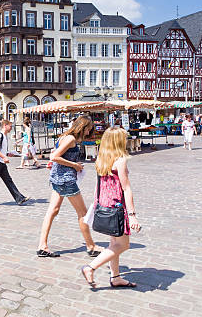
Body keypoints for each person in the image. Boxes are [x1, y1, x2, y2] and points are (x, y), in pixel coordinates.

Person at [81, 127, 141, 288]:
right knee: (122, 245)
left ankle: (115, 277)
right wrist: (132, 214)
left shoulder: (101, 159)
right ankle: (90, 267)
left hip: (105, 204)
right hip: (117, 206)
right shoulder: (120, 160)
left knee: (114, 243)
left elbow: (97, 186)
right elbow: (126, 188)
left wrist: (96, 204)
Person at [37, 115, 100, 258]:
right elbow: (54, 156)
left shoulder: (64, 136)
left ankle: (42, 246)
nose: (88, 133)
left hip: (56, 178)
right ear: (83, 127)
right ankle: (91, 246)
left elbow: (54, 154)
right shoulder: (71, 139)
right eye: (88, 129)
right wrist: (75, 165)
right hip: (66, 180)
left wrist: (55, 164)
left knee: (52, 211)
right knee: (83, 214)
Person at [0, 120, 30, 206]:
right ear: (5, 126)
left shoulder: (4, 136)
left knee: (8, 181)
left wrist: (7, 154)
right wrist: (3, 157)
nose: (11, 128)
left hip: (1, 162)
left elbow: (1, 149)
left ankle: (19, 198)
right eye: (10, 126)